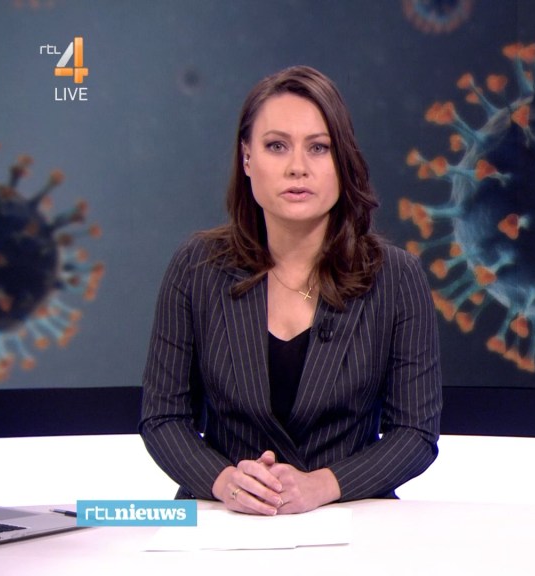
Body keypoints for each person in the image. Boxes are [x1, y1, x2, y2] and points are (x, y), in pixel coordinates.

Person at [139, 65, 442, 516]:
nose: (298, 167)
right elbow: (162, 418)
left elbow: (415, 434)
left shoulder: (396, 278)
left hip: (350, 520)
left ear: (342, 161)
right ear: (247, 158)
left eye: (318, 148)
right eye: (276, 146)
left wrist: (323, 485)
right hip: (224, 520)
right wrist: (225, 481)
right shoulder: (197, 267)